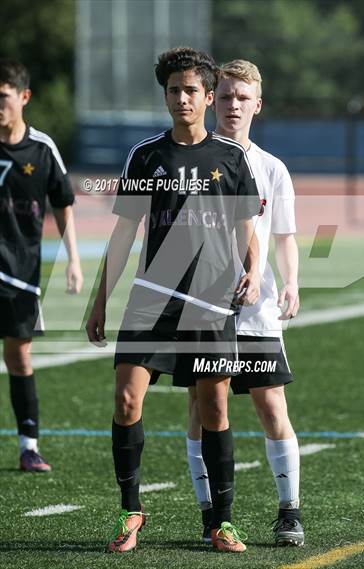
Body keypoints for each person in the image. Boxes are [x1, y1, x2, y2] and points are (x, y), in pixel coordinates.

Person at [86, 47, 261, 554]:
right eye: (173, 90)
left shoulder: (231, 159)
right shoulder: (146, 156)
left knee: (214, 404)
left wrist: (253, 269)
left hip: (208, 302)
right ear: (164, 96)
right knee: (125, 400)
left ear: (209, 97)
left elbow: (247, 227)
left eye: (191, 91)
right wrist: (98, 302)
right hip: (151, 301)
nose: (181, 98)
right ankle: (130, 511)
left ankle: (221, 523)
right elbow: (122, 236)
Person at [185, 60, 304, 547]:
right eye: (227, 95)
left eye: (243, 98)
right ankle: (211, 513)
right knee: (200, 405)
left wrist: (291, 282)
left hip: (256, 311)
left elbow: (285, 236)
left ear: (258, 104)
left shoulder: (272, 168)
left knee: (271, 402)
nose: (234, 105)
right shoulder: (189, 159)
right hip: (201, 308)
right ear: (214, 99)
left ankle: (289, 510)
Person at [0, 59, 83, 472]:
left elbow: (63, 204)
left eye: (3, 97)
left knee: (20, 358)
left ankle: (28, 446)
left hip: (21, 273)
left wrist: (72, 260)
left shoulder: (42, 148)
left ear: (23, 97)